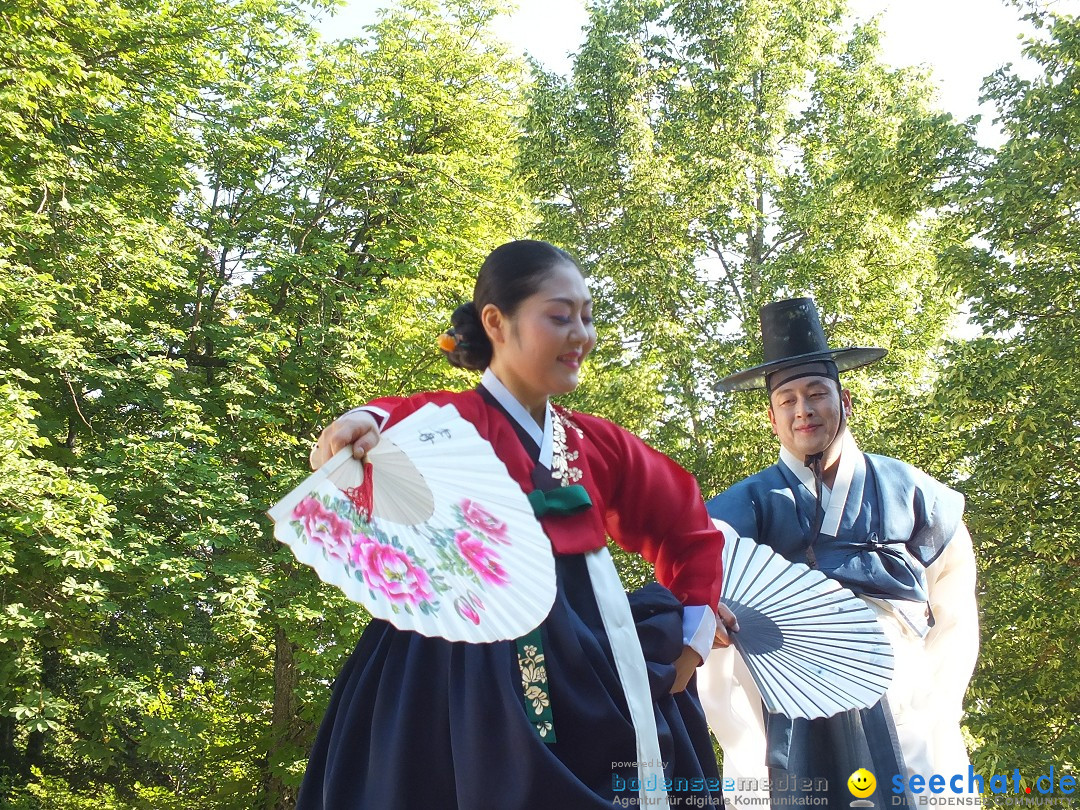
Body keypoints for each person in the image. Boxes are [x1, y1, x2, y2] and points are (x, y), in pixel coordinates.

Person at [297, 239, 734, 809]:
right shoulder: (451, 422)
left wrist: (692, 639)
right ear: (497, 323)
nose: (581, 334)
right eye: (559, 316)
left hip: (592, 661)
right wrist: (358, 421)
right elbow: (388, 417)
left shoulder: (598, 443)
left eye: (587, 316)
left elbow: (686, 525)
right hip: (461, 676)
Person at [697, 297, 979, 809]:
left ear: (844, 400)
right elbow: (702, 601)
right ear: (772, 415)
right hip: (786, 691)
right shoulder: (742, 507)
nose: (803, 410)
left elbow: (956, 609)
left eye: (816, 393)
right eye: (788, 400)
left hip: (899, 687)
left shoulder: (910, 491)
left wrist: (937, 700)